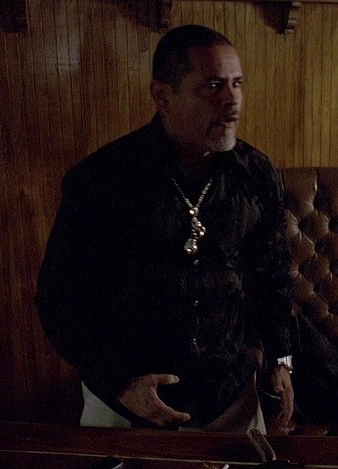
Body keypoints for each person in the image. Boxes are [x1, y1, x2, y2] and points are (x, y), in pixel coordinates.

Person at [36, 24, 295, 434]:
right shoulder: (102, 180)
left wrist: (281, 359)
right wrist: (120, 383)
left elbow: (273, 277)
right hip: (128, 404)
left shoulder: (256, 174)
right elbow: (60, 301)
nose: (232, 101)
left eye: (237, 84)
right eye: (212, 86)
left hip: (229, 397)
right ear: (162, 97)